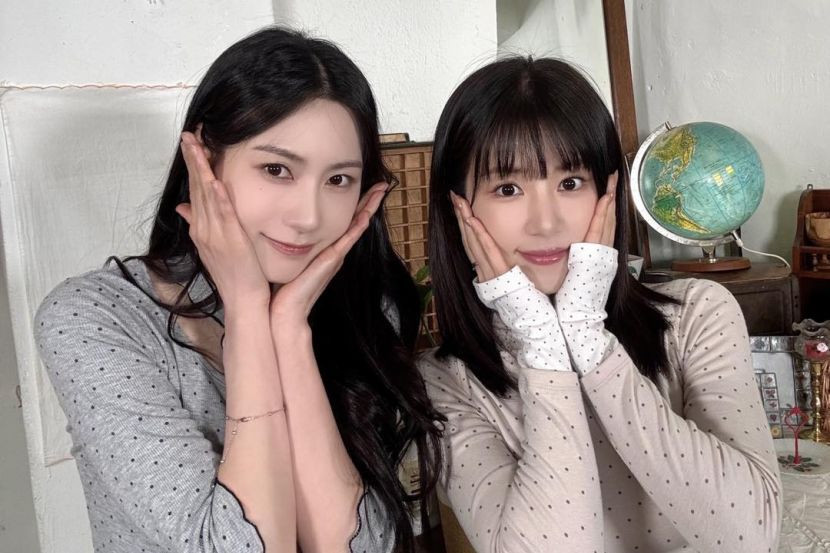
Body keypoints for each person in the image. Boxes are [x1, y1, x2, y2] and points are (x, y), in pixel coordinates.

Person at [34, 26, 443, 553]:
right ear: (203, 161)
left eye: (338, 180)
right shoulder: (96, 319)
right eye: (277, 169)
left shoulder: (366, 312)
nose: (308, 217)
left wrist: (289, 331)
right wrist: (249, 312)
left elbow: (360, 547)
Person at [418, 56, 782, 553]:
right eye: (508, 188)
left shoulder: (697, 315)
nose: (546, 223)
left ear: (607, 189)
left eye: (570, 183)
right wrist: (542, 340)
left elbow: (752, 535)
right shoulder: (445, 384)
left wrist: (587, 336)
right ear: (458, 209)